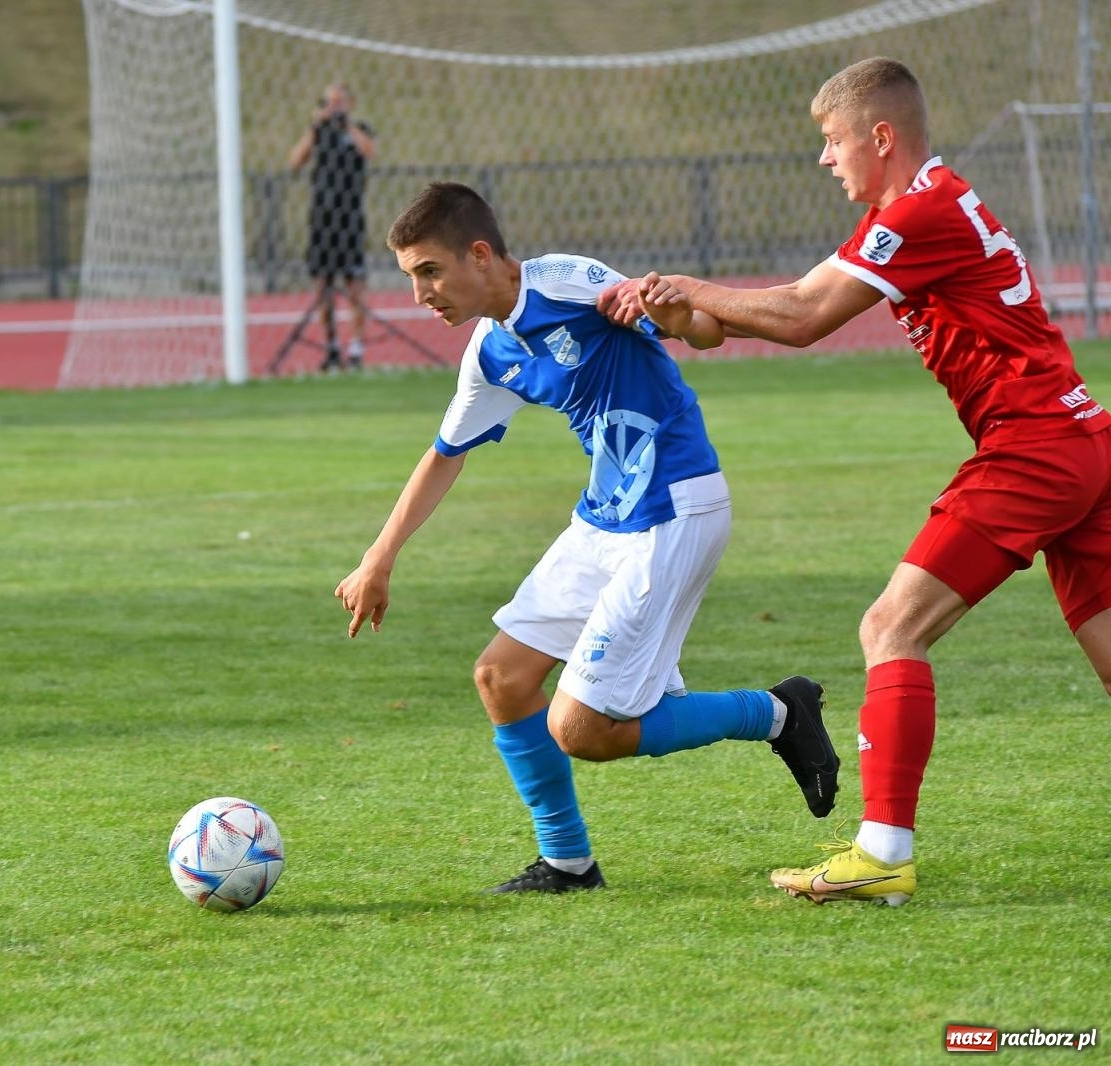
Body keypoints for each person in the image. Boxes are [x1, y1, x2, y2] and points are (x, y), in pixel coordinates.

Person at [597, 57, 1111, 907]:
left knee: (890, 628)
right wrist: (682, 314)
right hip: (1078, 441)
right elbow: (763, 315)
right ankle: (882, 849)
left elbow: (802, 315)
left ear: (881, 136)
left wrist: (690, 289)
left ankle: (883, 851)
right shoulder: (922, 207)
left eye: (833, 141)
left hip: (1034, 446)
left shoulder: (918, 212)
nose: (825, 159)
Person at [334, 181, 839, 894]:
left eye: (429, 272)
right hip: (603, 519)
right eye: (412, 277)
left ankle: (778, 712)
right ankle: (568, 861)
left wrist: (672, 314)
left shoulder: (570, 285)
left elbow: (701, 330)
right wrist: (378, 557)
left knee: (583, 731)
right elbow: (446, 452)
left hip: (674, 511)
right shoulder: (490, 354)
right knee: (501, 679)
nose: (421, 294)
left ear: (481, 256)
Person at [287, 81, 377, 371]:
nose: (335, 107)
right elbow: (295, 161)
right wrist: (316, 126)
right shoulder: (318, 131)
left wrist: (347, 125)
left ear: (350, 103)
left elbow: (369, 152)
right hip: (322, 219)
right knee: (323, 287)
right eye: (329, 102)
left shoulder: (359, 129)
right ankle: (331, 346)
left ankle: (357, 348)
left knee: (354, 287)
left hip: (350, 218)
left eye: (340, 102)